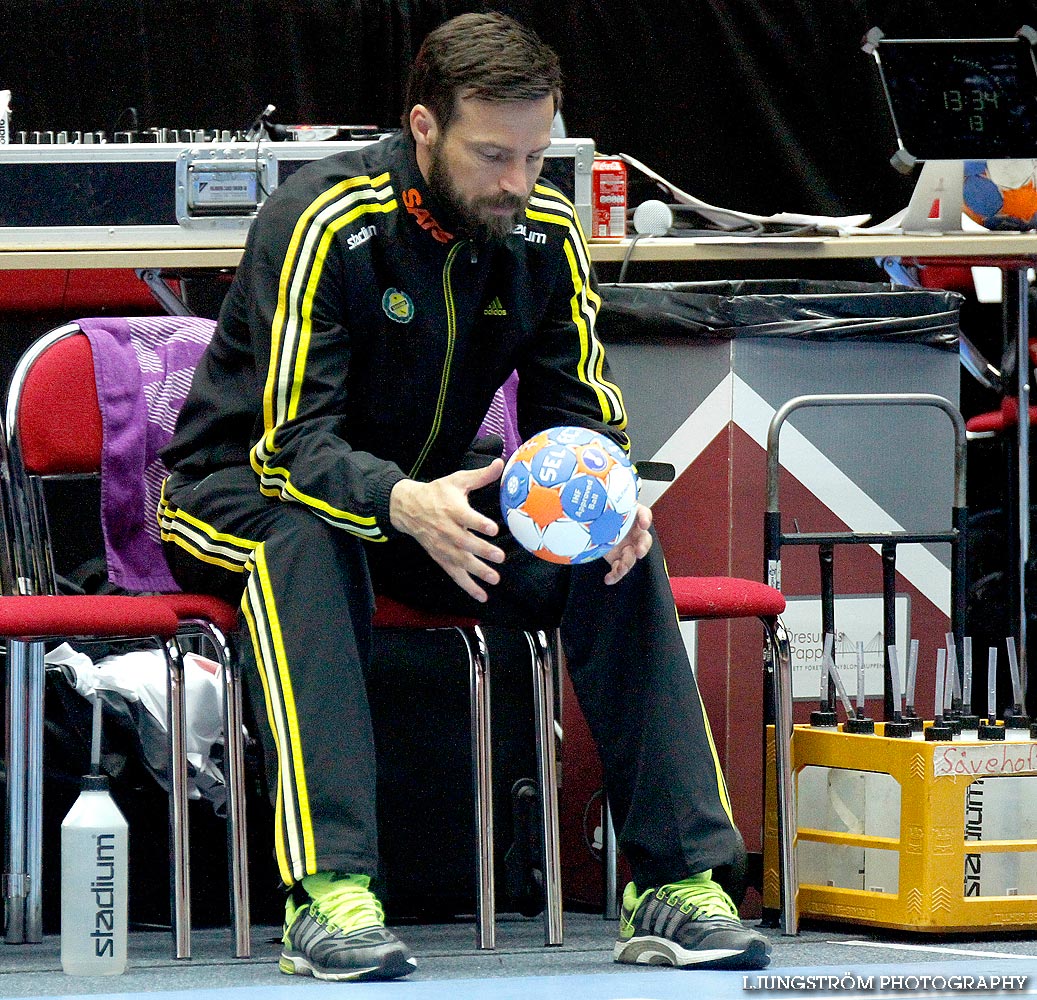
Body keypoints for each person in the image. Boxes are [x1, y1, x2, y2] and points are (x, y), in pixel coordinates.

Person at [159, 11, 770, 982]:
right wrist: (400, 501)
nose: (516, 184)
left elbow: (579, 415)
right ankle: (330, 891)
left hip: (430, 500)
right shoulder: (325, 221)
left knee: (607, 539)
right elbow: (290, 444)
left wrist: (608, 491)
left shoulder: (541, 232)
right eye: (493, 156)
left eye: (534, 157)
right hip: (244, 489)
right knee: (304, 538)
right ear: (421, 127)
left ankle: (674, 875)